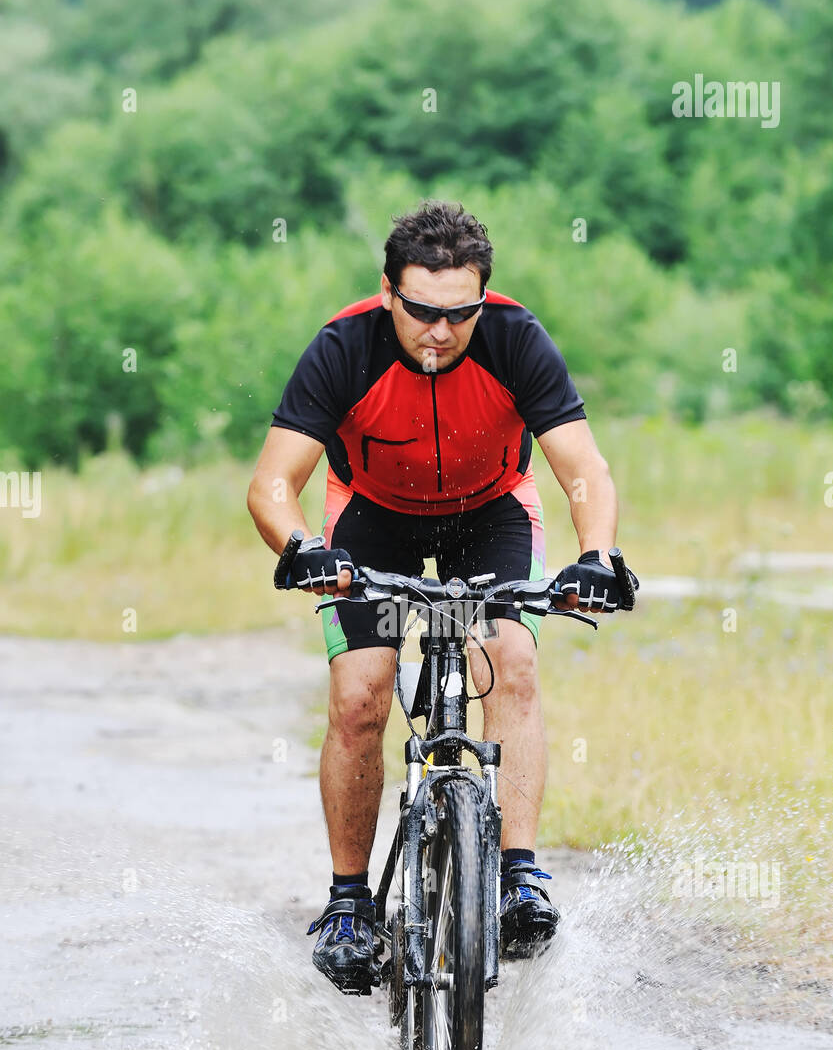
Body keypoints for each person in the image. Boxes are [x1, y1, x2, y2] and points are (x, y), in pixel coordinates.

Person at [248, 201, 630, 995]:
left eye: (459, 314)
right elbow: (272, 484)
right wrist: (302, 549)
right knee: (360, 695)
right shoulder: (342, 348)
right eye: (420, 310)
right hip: (371, 521)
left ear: (481, 299)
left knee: (513, 659)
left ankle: (520, 876)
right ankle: (350, 902)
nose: (438, 330)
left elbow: (582, 469)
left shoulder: (515, 339)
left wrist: (596, 555)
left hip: (488, 512)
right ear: (388, 290)